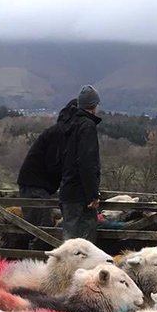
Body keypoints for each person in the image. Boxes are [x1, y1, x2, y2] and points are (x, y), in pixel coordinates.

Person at [16, 99, 73, 235]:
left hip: (36, 184)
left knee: (43, 226)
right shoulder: (59, 134)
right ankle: (37, 248)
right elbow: (54, 164)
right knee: (42, 229)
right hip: (35, 186)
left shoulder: (58, 132)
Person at [58, 85, 102, 242]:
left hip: (66, 190)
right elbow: (87, 163)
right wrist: (92, 195)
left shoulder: (67, 125)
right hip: (80, 195)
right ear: (94, 105)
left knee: (69, 241)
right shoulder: (87, 126)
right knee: (84, 244)